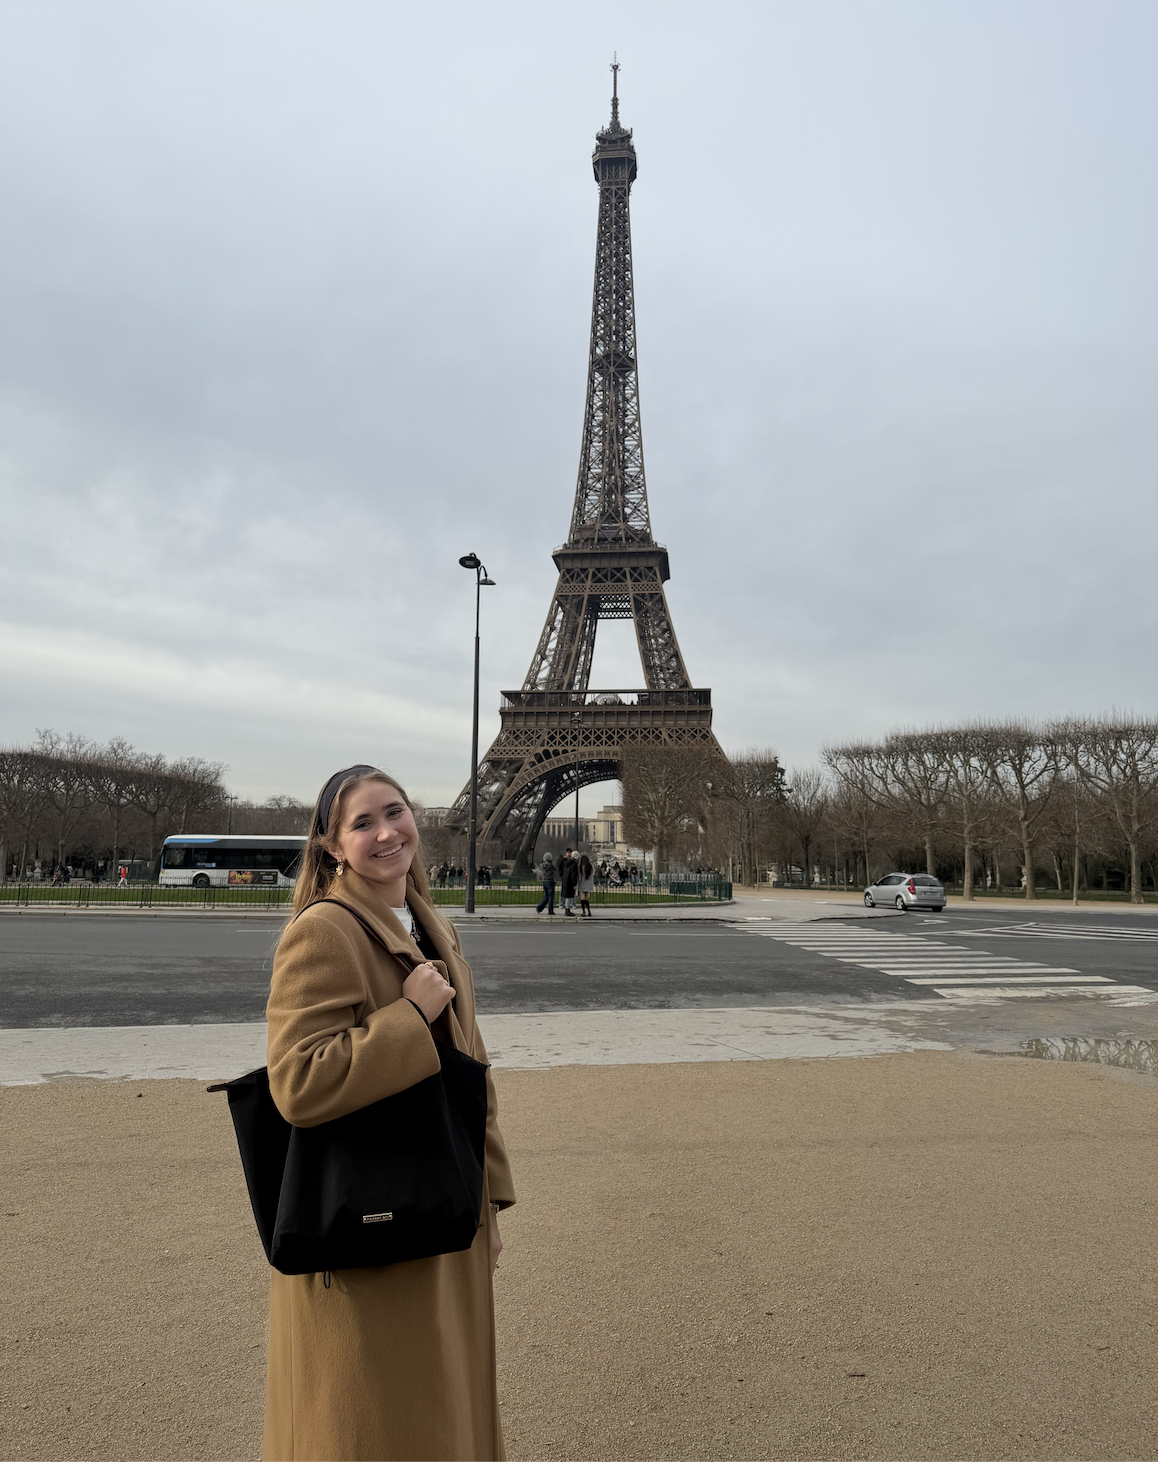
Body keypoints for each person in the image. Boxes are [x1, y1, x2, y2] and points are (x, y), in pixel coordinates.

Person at [263, 765, 515, 1461]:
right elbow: (298, 1082)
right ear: (331, 848)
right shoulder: (325, 932)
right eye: (362, 823)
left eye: (394, 812)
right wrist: (409, 1018)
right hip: (372, 1228)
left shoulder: (431, 925)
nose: (385, 833)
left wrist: (489, 1202)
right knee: (380, 1424)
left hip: (440, 1206)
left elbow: (473, 1074)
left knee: (438, 1414)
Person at [560, 848, 579, 917]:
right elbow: (573, 875)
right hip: (570, 882)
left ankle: (567, 909)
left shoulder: (566, 863)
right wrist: (574, 884)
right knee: (569, 896)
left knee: (567, 896)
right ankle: (567, 910)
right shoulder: (574, 864)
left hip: (566, 881)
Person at [577, 853, 595, 917]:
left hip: (582, 883)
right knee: (586, 898)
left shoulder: (580, 867)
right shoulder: (590, 866)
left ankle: (583, 912)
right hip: (588, 884)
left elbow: (579, 877)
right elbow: (593, 875)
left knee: (582, 898)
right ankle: (589, 911)